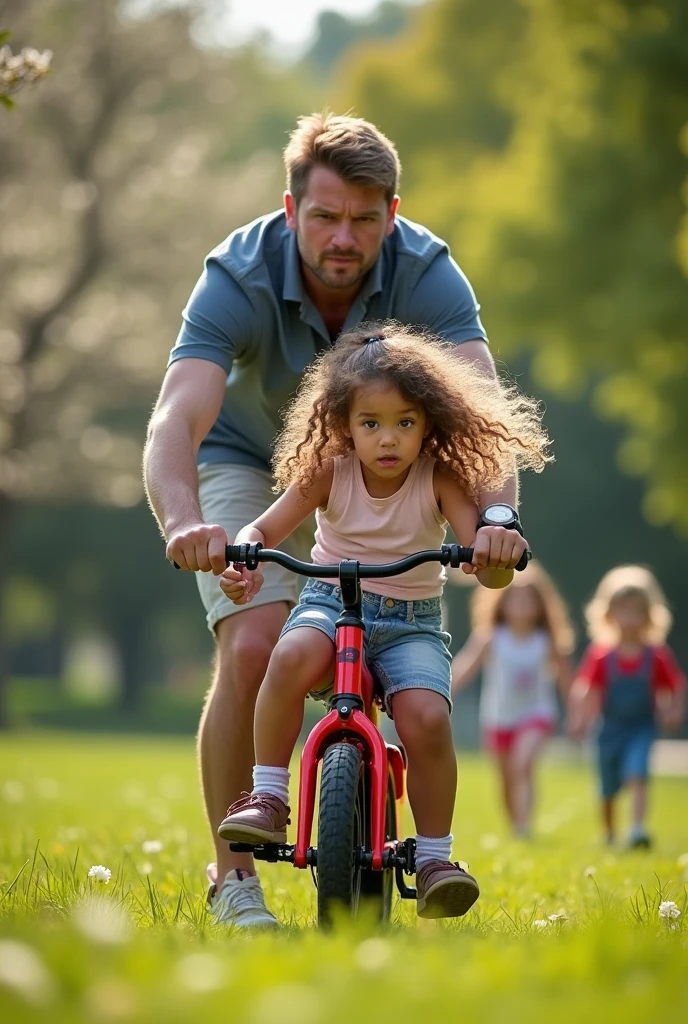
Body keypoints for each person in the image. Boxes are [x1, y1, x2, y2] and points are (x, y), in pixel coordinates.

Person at [143, 112, 532, 928]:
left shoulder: (427, 272)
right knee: (254, 640)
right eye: (324, 217)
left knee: (391, 673)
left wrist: (495, 518)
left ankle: (417, 841)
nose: (343, 236)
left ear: (392, 213)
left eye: (364, 218)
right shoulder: (237, 273)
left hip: (391, 470)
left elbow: (482, 420)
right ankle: (236, 875)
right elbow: (176, 420)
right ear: (292, 212)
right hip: (251, 461)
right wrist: (186, 524)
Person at [216, 324, 550, 919]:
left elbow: (486, 567)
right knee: (288, 658)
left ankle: (434, 856)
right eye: (371, 423)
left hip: (411, 623)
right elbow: (264, 528)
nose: (388, 439)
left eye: (405, 422)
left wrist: (496, 550)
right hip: (329, 603)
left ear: (430, 424)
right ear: (345, 424)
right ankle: (268, 796)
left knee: (425, 718)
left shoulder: (440, 479)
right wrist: (245, 553)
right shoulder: (330, 469)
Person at [451, 563, 574, 838]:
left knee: (523, 763)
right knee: (506, 778)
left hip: (536, 714)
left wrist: (577, 712)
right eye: (514, 600)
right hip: (497, 718)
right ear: (501, 603)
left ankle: (524, 825)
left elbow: (567, 679)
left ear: (541, 605)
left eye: (528, 600)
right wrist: (445, 693)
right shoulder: (491, 638)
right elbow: (464, 668)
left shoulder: (546, 640)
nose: (521, 606)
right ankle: (515, 825)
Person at [568, 565, 685, 848]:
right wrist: (579, 718)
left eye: (636, 611)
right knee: (608, 787)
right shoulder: (601, 656)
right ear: (608, 615)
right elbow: (584, 688)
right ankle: (609, 832)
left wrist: (673, 710)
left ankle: (637, 829)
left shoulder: (656, 656)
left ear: (649, 616)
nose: (630, 619)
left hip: (641, 727)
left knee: (638, 772)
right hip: (608, 728)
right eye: (623, 611)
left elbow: (676, 685)